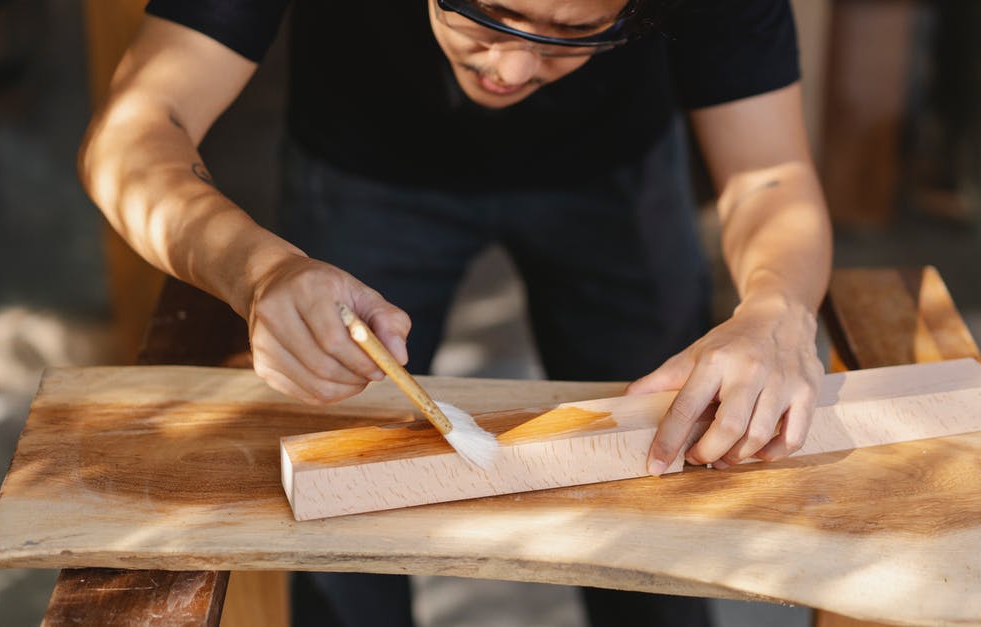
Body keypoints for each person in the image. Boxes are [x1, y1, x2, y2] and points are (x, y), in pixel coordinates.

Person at [78, 0, 832, 625]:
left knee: (662, 467)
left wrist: (780, 305)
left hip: (616, 167)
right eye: (488, 16)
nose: (510, 70)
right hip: (363, 159)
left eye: (575, 35)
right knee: (343, 496)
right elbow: (133, 131)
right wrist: (259, 270)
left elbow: (769, 175)